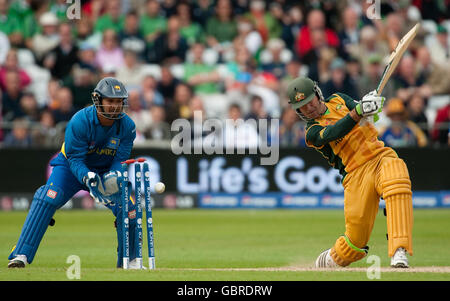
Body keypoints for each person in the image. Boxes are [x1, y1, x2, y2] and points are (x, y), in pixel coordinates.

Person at [7, 77, 139, 269]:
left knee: (130, 209)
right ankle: (21, 254)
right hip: (70, 168)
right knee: (48, 198)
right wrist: (87, 176)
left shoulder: (128, 126)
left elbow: (120, 160)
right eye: (110, 101)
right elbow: (75, 158)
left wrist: (114, 176)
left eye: (118, 102)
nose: (115, 106)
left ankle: (129, 262)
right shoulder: (80, 120)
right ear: (98, 100)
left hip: (104, 171)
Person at [287, 77, 413, 268]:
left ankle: (399, 250)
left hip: (379, 156)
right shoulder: (311, 131)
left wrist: (372, 108)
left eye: (310, 101)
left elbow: (369, 117)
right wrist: (359, 111)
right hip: (355, 175)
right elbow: (333, 133)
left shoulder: (339, 98)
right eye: (302, 106)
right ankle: (331, 258)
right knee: (354, 244)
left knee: (397, 178)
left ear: (317, 94)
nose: (308, 108)